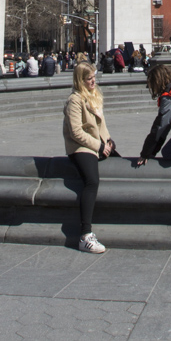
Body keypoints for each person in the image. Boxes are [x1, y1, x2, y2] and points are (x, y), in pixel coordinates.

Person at [63, 61, 113, 254]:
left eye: (94, 77)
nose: (93, 81)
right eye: (89, 78)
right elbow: (76, 132)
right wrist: (99, 146)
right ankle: (85, 235)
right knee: (92, 181)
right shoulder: (74, 100)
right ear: (80, 80)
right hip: (80, 147)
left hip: (96, 144)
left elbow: (101, 126)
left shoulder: (94, 95)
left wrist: (108, 142)